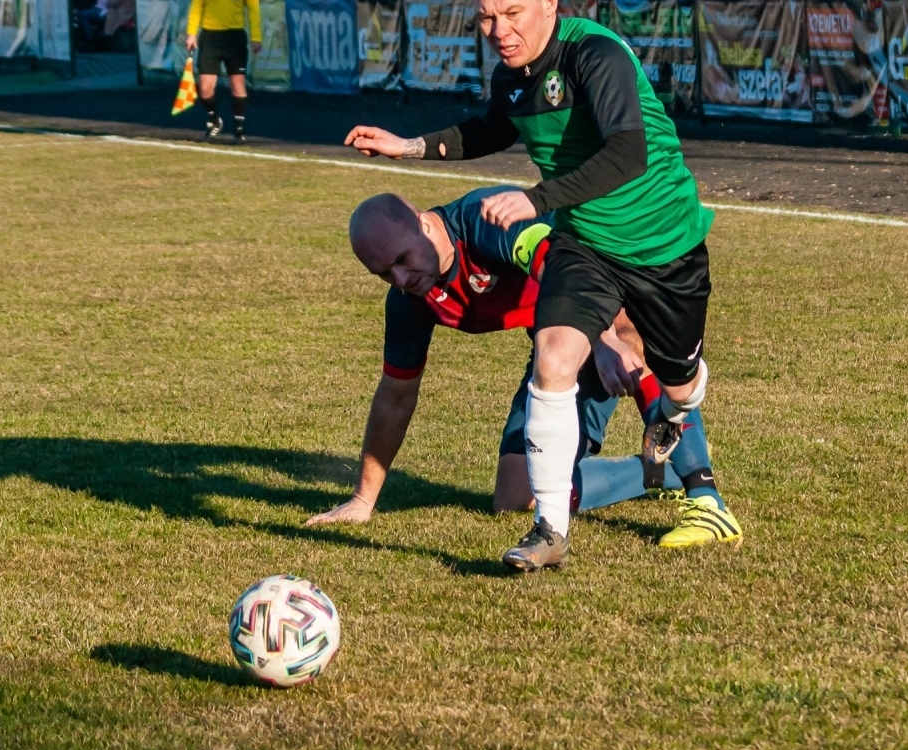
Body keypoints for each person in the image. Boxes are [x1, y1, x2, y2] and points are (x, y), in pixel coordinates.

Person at [344, 0, 717, 572]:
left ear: (550, 3)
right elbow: (491, 128)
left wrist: (603, 332)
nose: (500, 31)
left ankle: (700, 485)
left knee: (652, 362)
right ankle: (573, 515)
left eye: (512, 13)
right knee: (523, 458)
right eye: (486, 19)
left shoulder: (591, 58)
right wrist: (407, 146)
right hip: (585, 251)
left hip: (656, 245)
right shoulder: (510, 78)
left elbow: (627, 154)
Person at [310, 189, 739, 550]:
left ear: (423, 224)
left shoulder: (485, 223)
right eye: (384, 273)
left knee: (631, 342)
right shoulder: (411, 300)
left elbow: (561, 268)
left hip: (610, 290)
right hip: (558, 346)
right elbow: (395, 397)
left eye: (402, 259)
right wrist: (363, 501)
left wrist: (604, 338)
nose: (401, 278)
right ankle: (652, 472)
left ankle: (706, 498)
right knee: (513, 496)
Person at [185, 0, 260, 142]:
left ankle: (238, 130)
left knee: (237, 83)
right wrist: (192, 32)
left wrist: (256, 37)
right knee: (206, 86)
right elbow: (196, 5)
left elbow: (253, 10)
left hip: (234, 37)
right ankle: (214, 119)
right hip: (210, 36)